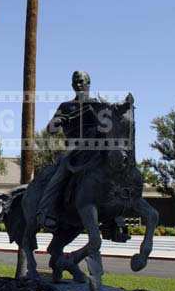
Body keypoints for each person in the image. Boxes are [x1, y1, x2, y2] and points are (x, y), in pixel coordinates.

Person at [36, 72, 132, 231]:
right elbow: (50, 128)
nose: (78, 85)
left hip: (97, 148)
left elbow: (114, 112)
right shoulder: (66, 106)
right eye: (75, 82)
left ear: (88, 83)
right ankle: (46, 211)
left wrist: (125, 105)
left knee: (117, 167)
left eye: (81, 81)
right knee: (60, 173)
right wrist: (58, 121)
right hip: (74, 150)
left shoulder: (96, 104)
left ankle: (116, 216)